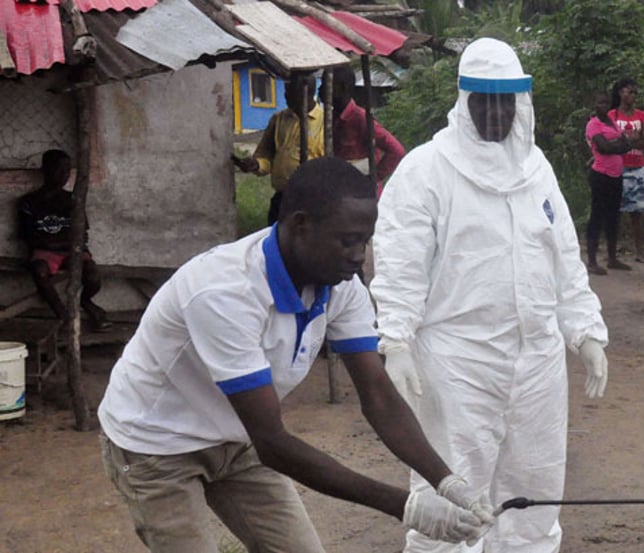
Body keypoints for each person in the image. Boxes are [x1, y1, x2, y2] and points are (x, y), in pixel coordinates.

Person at [96, 157, 492, 553]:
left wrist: (447, 482)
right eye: (347, 239)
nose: (359, 255)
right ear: (301, 225)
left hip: (236, 437)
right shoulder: (224, 292)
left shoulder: (339, 286)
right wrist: (405, 507)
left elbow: (379, 396)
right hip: (156, 444)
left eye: (365, 241)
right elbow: (272, 442)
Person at [371, 38, 609, 553]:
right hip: (459, 361)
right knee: (455, 493)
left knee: (536, 491)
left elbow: (564, 258)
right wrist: (397, 340)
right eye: (485, 99)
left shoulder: (536, 168)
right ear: (465, 101)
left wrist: (585, 331)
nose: (497, 111)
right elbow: (399, 264)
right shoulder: (426, 171)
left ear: (520, 102)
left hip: (538, 360)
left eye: (507, 99)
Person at [16, 149, 110, 330]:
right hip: (46, 252)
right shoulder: (29, 202)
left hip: (72, 250)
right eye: (58, 169)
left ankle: (86, 303)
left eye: (67, 170)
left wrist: (57, 242)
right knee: (39, 271)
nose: (64, 175)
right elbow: (29, 238)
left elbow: (82, 234)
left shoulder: (74, 199)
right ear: (45, 170)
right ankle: (64, 316)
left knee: (93, 276)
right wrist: (58, 242)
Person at [235, 74, 326, 225]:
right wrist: (257, 164)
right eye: (285, 92)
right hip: (282, 198)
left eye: (290, 93)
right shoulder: (279, 119)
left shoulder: (325, 122)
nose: (286, 97)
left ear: (307, 94)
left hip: (312, 200)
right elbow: (266, 154)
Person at [330, 65, 407, 195]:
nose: (320, 89)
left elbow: (396, 150)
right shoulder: (331, 117)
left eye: (328, 85)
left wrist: (374, 177)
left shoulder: (360, 118)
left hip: (361, 194)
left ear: (343, 88)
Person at [585, 90, 634, 274]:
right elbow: (604, 148)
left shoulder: (611, 122)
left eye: (606, 103)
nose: (603, 106)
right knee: (597, 217)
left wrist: (617, 145)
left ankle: (612, 258)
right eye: (600, 103)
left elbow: (626, 145)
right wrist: (619, 145)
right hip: (601, 175)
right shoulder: (593, 124)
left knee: (613, 217)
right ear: (594, 104)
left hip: (615, 174)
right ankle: (591, 261)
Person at [608, 78, 644, 263]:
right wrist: (631, 140)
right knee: (613, 211)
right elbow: (608, 142)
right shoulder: (611, 115)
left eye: (635, 92)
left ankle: (639, 251)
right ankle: (612, 252)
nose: (632, 96)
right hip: (616, 166)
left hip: (636, 165)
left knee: (637, 211)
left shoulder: (641, 116)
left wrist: (625, 141)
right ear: (620, 92)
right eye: (629, 91)